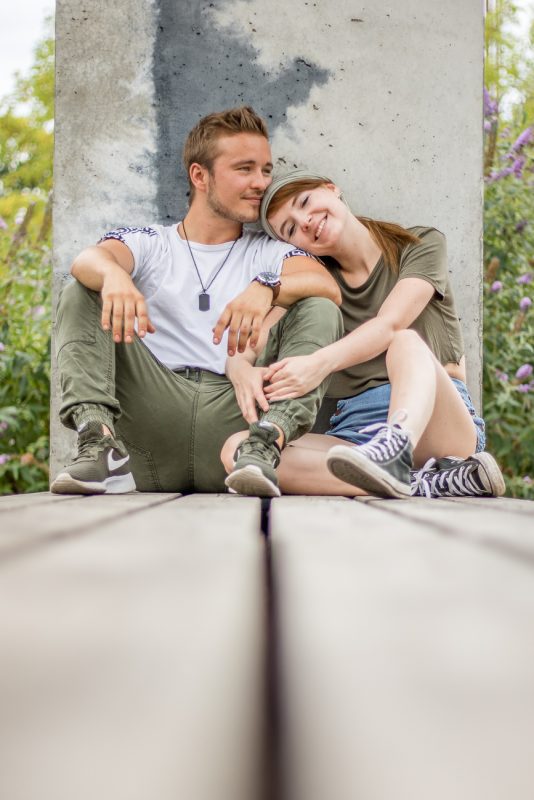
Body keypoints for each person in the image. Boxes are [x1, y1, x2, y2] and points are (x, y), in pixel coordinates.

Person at [51, 112, 343, 497]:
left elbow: (327, 287)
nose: (261, 183)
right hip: (147, 420)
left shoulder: (271, 252)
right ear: (200, 176)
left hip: (238, 424)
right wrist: (115, 276)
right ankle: (98, 441)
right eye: (245, 169)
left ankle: (268, 442)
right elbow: (87, 261)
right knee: (84, 288)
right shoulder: (152, 242)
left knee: (319, 306)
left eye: (265, 170)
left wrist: (267, 286)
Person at [220, 169, 505, 499]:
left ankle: (396, 453)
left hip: (436, 428)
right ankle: (422, 483)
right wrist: (241, 370)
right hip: (355, 436)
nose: (306, 222)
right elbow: (245, 346)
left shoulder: (419, 244)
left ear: (332, 189)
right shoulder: (319, 286)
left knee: (404, 340)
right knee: (239, 450)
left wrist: (318, 364)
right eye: (291, 229)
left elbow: (391, 324)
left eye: (305, 202)